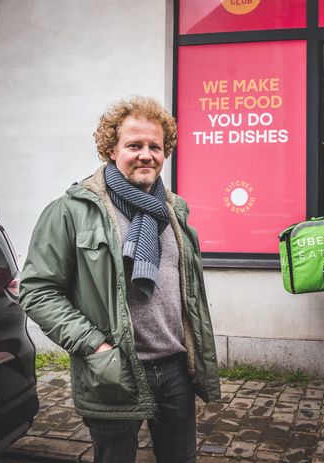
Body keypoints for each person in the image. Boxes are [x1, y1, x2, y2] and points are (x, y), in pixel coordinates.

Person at [20, 96, 220, 463]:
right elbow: (37, 291)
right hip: (114, 368)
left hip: (175, 369)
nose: (146, 155)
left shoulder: (172, 209)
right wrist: (96, 346)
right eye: (134, 145)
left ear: (165, 152)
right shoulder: (72, 210)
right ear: (112, 150)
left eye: (155, 147)